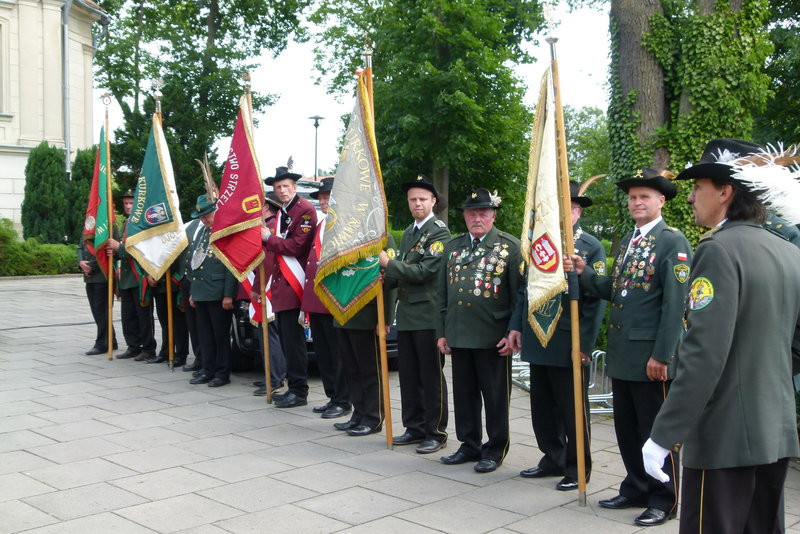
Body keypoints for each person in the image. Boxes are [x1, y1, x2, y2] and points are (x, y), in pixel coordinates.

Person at [643, 138, 800, 533]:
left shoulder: (719, 250)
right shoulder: (789, 251)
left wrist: (663, 435)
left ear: (726, 192)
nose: (691, 196)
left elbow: (703, 355)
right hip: (775, 429)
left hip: (724, 436)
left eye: (699, 187)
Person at [570, 168, 692, 526]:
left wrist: (663, 355)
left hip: (650, 357)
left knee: (655, 431)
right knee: (626, 428)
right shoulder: (628, 240)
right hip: (623, 353)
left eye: (644, 197)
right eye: (632, 197)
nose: (637, 202)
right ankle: (636, 486)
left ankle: (664, 498)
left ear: (661, 201)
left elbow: (675, 304)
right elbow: (617, 290)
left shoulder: (672, 241)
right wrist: (585, 272)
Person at [508, 181, 606, 491]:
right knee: (542, 408)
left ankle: (577, 468)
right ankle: (552, 457)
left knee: (572, 409)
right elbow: (525, 291)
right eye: (562, 208)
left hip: (569, 340)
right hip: (539, 335)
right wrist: (516, 327)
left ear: (578, 213)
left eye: (572, 208)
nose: (567, 214)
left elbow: (596, 301)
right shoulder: (539, 244)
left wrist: (585, 344)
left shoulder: (590, 246)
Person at [436, 188, 523, 473]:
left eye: (482, 213)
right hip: (459, 333)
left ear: (493, 215)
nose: (477, 218)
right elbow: (442, 293)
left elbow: (519, 296)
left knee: (495, 398)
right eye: (471, 213)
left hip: (492, 336)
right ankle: (469, 444)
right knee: (464, 395)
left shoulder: (510, 247)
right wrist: (442, 331)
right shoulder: (453, 247)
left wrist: (513, 331)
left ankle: (495, 448)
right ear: (464, 217)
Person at [381, 174, 450, 454]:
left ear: (434, 201)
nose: (417, 203)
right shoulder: (410, 232)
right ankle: (414, 427)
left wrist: (390, 265)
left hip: (428, 315)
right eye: (413, 199)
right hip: (408, 315)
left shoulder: (439, 232)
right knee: (408, 375)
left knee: (430, 377)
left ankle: (435, 432)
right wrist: (386, 276)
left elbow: (425, 271)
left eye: (422, 199)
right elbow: (403, 270)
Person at [261, 166, 317, 408]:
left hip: (295, 284)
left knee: (294, 343)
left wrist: (268, 238)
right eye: (278, 187)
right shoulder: (284, 211)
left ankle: (299, 391)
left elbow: (296, 247)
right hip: (282, 285)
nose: (282, 190)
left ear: (294, 187)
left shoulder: (304, 210)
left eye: (286, 186)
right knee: (286, 341)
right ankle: (293, 387)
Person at [332, 237, 397, 436]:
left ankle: (373, 417)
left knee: (370, 370)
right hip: (344, 311)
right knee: (351, 369)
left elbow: (390, 281)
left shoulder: (381, 236)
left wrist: (385, 318)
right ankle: (359, 413)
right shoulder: (343, 236)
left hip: (368, 315)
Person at [302, 177, 351, 418]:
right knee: (323, 353)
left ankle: (343, 400)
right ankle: (332, 396)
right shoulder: (322, 224)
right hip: (316, 298)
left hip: (333, 299)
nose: (323, 201)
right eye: (321, 198)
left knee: (338, 353)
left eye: (327, 197)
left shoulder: (344, 225)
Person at [185, 193, 237, 387]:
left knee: (220, 336)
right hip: (201, 291)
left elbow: (231, 267)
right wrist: (193, 291)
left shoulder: (225, 233)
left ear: (217, 211)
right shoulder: (203, 232)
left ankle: (222, 373)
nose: (204, 220)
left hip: (217, 292)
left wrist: (228, 294)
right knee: (205, 335)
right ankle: (208, 369)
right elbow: (195, 262)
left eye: (207, 215)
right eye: (201, 216)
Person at [106, 189, 156, 361]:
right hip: (127, 278)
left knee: (143, 316)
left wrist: (119, 247)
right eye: (125, 203)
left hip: (139, 276)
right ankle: (133, 346)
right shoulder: (127, 223)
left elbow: (141, 249)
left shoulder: (142, 223)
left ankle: (148, 348)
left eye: (131, 203)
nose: (128, 206)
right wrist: (115, 252)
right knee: (128, 316)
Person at [250, 191, 287, 396]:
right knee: (268, 333)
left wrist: (257, 288)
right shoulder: (274, 226)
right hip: (272, 287)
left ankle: (275, 378)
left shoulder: (269, 228)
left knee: (270, 334)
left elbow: (266, 262)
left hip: (269, 287)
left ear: (265, 207)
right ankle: (271, 375)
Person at [78, 231, 118, 355]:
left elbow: (105, 251)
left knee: (102, 311)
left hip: (102, 274)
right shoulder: (88, 226)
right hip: (89, 276)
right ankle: (111, 339)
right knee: (96, 311)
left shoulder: (107, 225)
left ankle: (102, 343)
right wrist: (81, 262)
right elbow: (80, 247)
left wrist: (91, 266)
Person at [144, 268, 189, 368]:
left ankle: (181, 354)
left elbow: (183, 262)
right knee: (164, 322)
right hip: (159, 285)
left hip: (174, 282)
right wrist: (149, 274)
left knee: (179, 323)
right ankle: (166, 352)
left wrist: (177, 278)